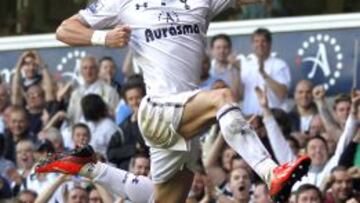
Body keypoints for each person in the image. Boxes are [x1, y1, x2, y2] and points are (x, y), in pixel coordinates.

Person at [37, 0, 311, 202]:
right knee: (222, 97)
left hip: (187, 117)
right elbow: (64, 30)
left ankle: (88, 167)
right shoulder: (122, 2)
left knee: (164, 198)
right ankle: (270, 171)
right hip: (158, 111)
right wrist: (104, 37)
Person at [241, 28, 291, 115]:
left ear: (270, 44)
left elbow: (282, 94)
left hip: (273, 116)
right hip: (250, 118)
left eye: (263, 41)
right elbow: (238, 94)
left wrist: (264, 74)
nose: (260, 44)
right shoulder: (245, 65)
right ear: (252, 45)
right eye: (256, 41)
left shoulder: (279, 64)